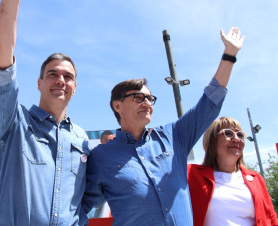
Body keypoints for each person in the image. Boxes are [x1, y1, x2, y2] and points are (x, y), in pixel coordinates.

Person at [82, 27, 245, 225]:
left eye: (150, 98)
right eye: (138, 97)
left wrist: (229, 55)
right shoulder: (100, 157)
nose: (147, 103)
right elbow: (81, 207)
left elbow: (210, 102)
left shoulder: (174, 137)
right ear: (118, 105)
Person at [0, 0, 90, 225]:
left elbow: (87, 199)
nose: (60, 80)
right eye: (52, 74)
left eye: (68, 77)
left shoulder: (82, 141)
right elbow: (1, 72)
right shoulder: (13, 123)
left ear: (75, 88)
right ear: (39, 83)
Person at [187, 116, 278, 226]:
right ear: (212, 140)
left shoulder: (256, 179)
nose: (236, 138)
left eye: (240, 135)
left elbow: (271, 219)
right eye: (228, 133)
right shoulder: (190, 174)